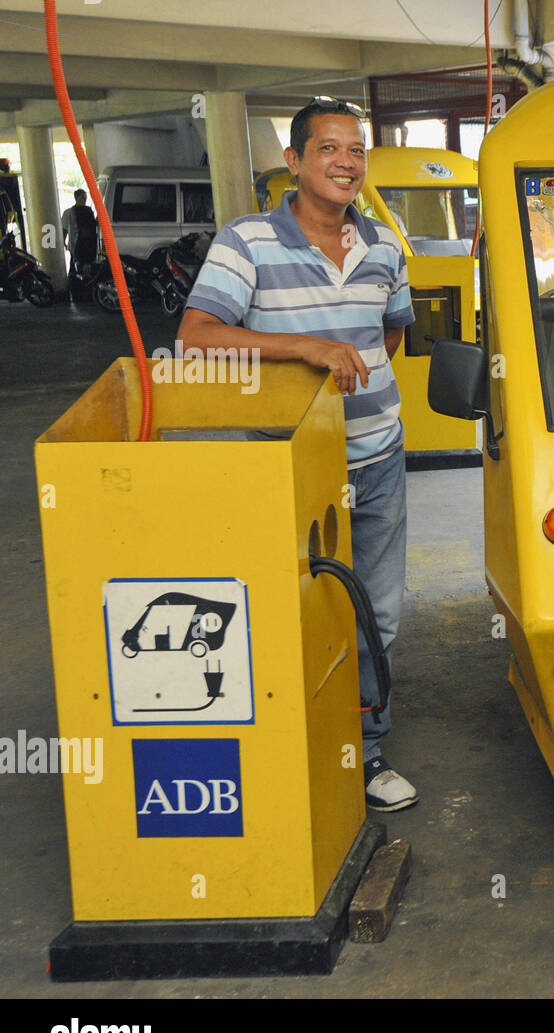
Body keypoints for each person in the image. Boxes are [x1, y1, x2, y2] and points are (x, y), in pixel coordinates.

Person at [178, 97, 419, 812]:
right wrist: (308, 348)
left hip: (376, 459)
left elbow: (390, 336)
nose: (347, 163)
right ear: (294, 160)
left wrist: (353, 373)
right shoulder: (246, 242)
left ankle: (365, 754)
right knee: (284, 608)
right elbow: (197, 337)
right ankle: (286, 749)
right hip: (283, 463)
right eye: (329, 149)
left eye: (357, 151)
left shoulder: (381, 245)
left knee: (374, 612)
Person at [61, 189, 98, 283]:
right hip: (85, 245)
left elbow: (64, 229)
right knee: (84, 268)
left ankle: (74, 286)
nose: (85, 199)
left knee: (74, 268)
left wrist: (64, 242)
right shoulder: (88, 212)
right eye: (83, 197)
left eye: (85, 197)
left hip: (76, 246)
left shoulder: (69, 212)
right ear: (76, 197)